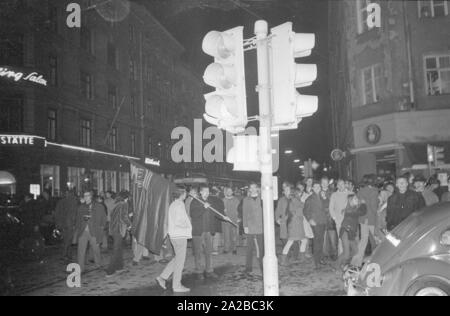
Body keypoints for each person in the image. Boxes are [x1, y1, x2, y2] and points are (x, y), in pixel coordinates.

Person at [156, 187, 192, 293]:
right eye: (185, 193)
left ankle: (162, 277)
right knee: (180, 262)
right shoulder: (180, 205)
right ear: (181, 194)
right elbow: (179, 221)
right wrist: (188, 223)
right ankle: (176, 285)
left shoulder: (173, 204)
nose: (186, 195)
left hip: (174, 235)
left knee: (177, 258)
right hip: (180, 235)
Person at [190, 185, 227, 280]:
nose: (207, 193)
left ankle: (209, 270)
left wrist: (224, 217)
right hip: (198, 231)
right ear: (201, 192)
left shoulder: (211, 201)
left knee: (208, 251)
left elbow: (216, 213)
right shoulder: (195, 201)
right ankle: (199, 271)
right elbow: (193, 215)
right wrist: (203, 207)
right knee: (198, 252)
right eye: (205, 191)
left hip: (208, 231)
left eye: (208, 191)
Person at [75, 191, 107, 272]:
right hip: (83, 231)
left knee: (96, 248)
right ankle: (80, 267)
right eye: (84, 196)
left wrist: (101, 228)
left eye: (87, 195)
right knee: (81, 250)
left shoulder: (98, 206)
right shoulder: (81, 207)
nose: (85, 197)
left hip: (94, 231)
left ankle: (98, 264)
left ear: (91, 197)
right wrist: (78, 228)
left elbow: (104, 217)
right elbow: (77, 219)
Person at [335, 195, 367, 270]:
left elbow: (361, 212)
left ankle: (343, 262)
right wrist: (363, 204)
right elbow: (363, 212)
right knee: (346, 254)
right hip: (345, 231)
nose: (357, 199)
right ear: (350, 201)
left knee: (355, 251)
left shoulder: (354, 209)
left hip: (351, 232)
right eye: (355, 198)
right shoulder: (349, 210)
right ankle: (336, 266)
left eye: (357, 198)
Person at [280, 185, 308, 265]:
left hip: (295, 225)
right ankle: (284, 259)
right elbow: (299, 211)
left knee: (301, 240)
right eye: (299, 192)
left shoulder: (293, 200)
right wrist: (302, 203)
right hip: (296, 225)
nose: (300, 194)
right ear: (296, 193)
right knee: (291, 241)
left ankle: (300, 258)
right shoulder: (295, 201)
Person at [106, 191, 132, 277]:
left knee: (119, 249)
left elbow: (115, 216)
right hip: (119, 229)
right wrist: (129, 225)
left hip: (113, 229)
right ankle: (110, 271)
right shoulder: (124, 204)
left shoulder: (116, 203)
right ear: (126, 197)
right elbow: (124, 216)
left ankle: (119, 267)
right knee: (116, 249)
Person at [240, 182, 264, 274]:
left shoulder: (262, 198)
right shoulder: (246, 199)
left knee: (261, 248)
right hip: (250, 225)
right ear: (249, 189)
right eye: (251, 187)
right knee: (249, 248)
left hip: (260, 226)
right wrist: (245, 226)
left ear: (257, 188)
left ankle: (262, 266)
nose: (253, 189)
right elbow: (244, 213)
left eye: (255, 187)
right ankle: (248, 267)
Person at [303, 181, 328, 270]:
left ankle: (320, 258)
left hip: (323, 221)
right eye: (315, 187)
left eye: (318, 186)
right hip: (315, 222)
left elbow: (326, 207)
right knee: (317, 241)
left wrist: (325, 199)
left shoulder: (323, 197)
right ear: (312, 188)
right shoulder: (310, 198)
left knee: (321, 241)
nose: (317, 188)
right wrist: (310, 219)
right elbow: (305, 211)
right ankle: (316, 261)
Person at [55, 190, 79, 261]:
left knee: (65, 239)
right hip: (70, 224)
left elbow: (57, 213)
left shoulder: (61, 201)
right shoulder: (73, 201)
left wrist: (58, 223)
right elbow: (74, 213)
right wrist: (75, 223)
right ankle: (65, 254)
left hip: (62, 224)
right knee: (69, 239)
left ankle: (68, 254)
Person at [329, 179, 349, 255]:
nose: (340, 186)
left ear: (345, 185)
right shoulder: (334, 195)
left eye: (342, 184)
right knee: (341, 240)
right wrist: (335, 218)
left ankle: (349, 258)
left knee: (351, 240)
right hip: (339, 222)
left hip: (350, 221)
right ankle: (341, 258)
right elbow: (331, 208)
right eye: (339, 185)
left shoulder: (350, 194)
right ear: (337, 186)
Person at [321, 177, 337, 261]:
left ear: (328, 183)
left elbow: (333, 203)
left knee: (332, 238)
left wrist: (325, 197)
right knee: (323, 239)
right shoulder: (318, 192)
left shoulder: (332, 192)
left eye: (325, 182)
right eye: (323, 182)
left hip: (330, 218)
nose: (324, 183)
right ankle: (325, 254)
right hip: (321, 218)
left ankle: (334, 253)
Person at [222, 186, 240, 255]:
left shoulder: (236, 200)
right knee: (226, 235)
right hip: (225, 221)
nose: (229, 192)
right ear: (226, 192)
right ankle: (226, 249)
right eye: (227, 191)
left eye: (230, 191)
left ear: (232, 192)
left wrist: (239, 218)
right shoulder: (223, 200)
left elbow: (239, 210)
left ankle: (234, 249)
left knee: (234, 236)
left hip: (234, 220)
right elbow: (221, 210)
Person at [275, 183, 292, 251]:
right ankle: (286, 254)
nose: (287, 191)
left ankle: (293, 255)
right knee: (285, 238)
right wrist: (277, 219)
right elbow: (278, 210)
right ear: (284, 192)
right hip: (285, 221)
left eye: (289, 190)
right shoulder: (281, 200)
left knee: (293, 238)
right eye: (286, 190)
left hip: (293, 222)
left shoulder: (294, 199)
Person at [210, 187, 225, 255]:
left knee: (209, 235)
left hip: (209, 220)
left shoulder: (207, 200)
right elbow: (222, 211)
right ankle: (215, 250)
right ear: (217, 193)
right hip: (217, 220)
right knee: (216, 235)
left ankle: (208, 250)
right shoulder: (220, 200)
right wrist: (224, 216)